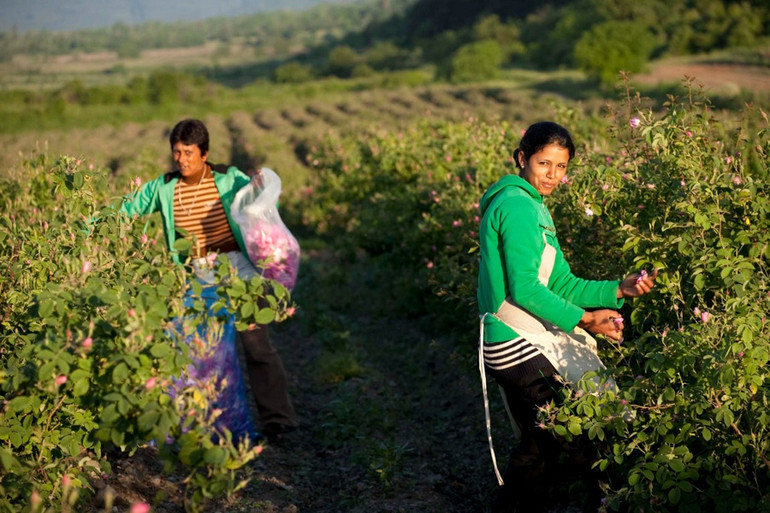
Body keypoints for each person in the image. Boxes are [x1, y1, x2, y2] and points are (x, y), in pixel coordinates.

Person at [476, 121, 657, 512]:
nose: (553, 175)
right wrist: (587, 320)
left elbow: (561, 282)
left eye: (561, 167)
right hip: (514, 341)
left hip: (521, 337)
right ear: (523, 158)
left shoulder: (535, 208)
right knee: (579, 433)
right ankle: (609, 502)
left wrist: (618, 289)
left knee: (540, 443)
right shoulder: (516, 204)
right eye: (544, 164)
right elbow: (524, 290)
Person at [120, 118, 298, 442]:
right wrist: (87, 224)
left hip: (238, 270)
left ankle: (278, 420)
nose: (181, 159)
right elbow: (128, 207)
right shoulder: (163, 187)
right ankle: (208, 425)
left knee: (257, 346)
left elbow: (261, 205)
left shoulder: (229, 180)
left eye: (188, 153)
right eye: (176, 152)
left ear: (204, 154)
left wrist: (259, 187)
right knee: (206, 352)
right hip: (197, 275)